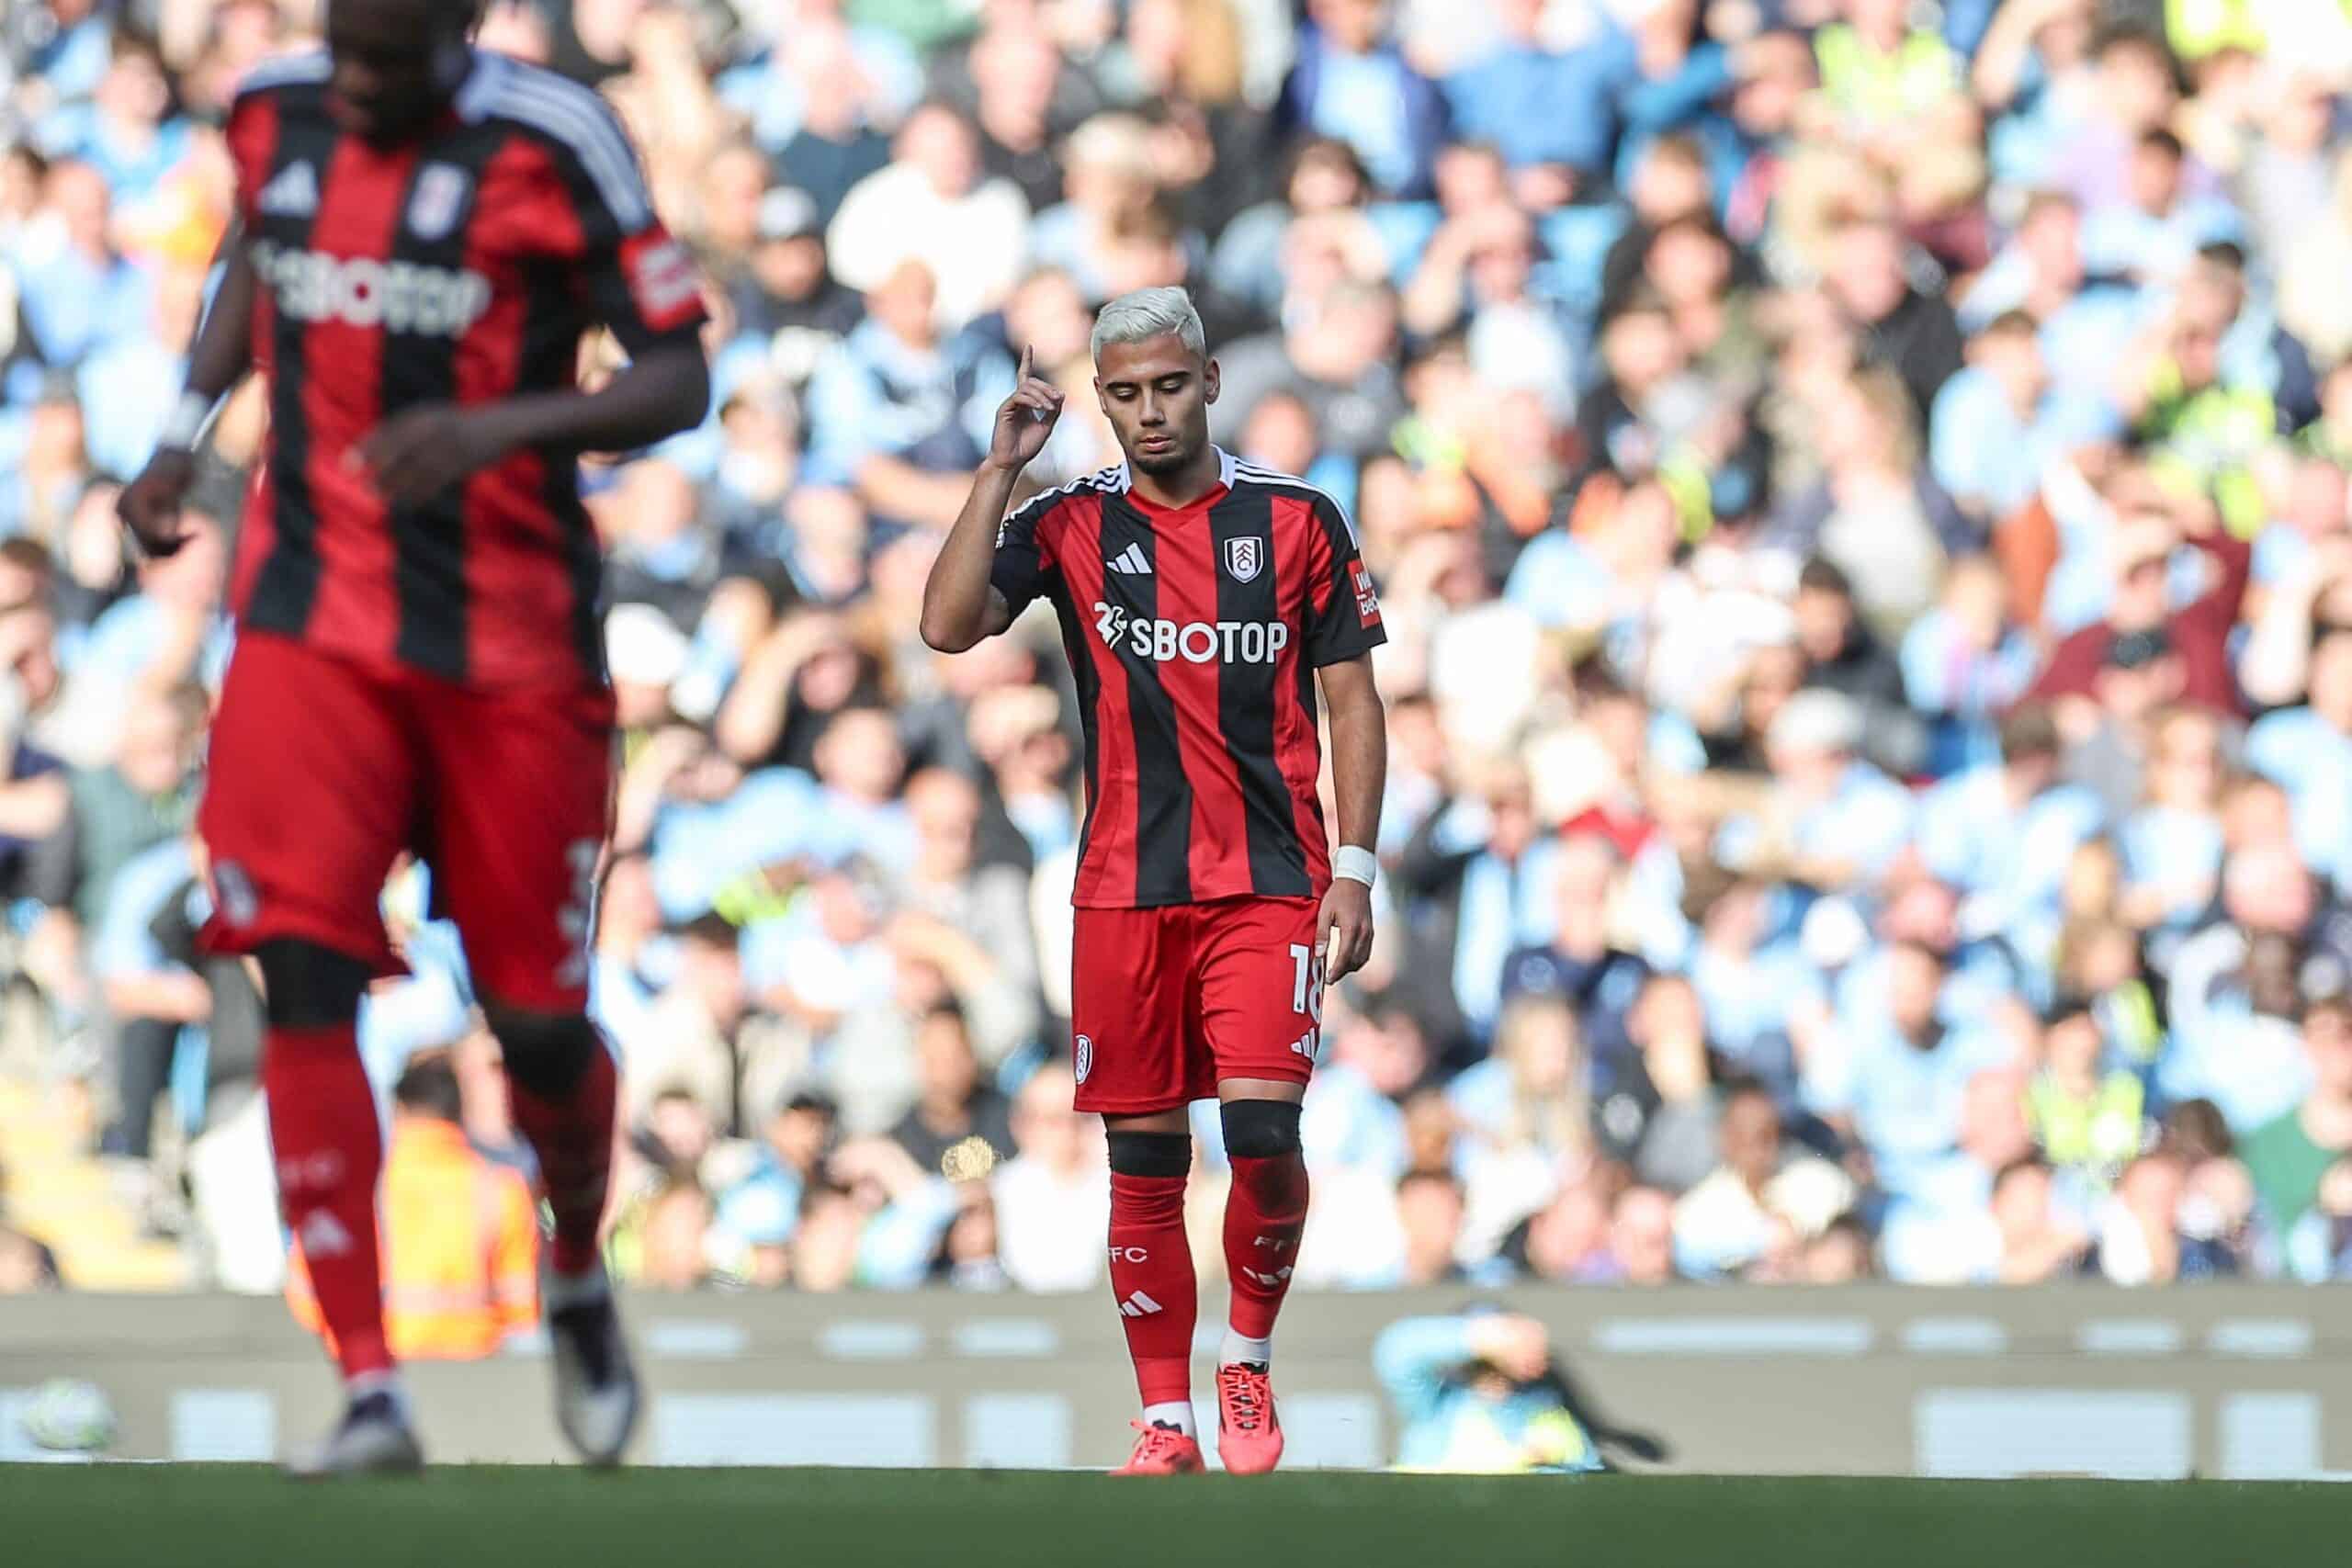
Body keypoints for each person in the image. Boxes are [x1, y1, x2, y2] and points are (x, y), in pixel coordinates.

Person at [113, 0, 710, 1475]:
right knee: (299, 959)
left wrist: (502, 428)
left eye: (391, 61)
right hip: (311, 625)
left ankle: (575, 1266)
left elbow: (680, 371)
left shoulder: (555, 136)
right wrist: (189, 424)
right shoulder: (274, 110)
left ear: (461, 29)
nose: (358, 85)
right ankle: (371, 1384)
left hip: (512, 650)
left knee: (536, 1022)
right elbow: (257, 254)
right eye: (345, 49)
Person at [922, 285, 1388, 1475]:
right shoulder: (1070, 521)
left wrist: (1357, 867)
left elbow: (1351, 699)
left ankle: (1245, 1358)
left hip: (1271, 880)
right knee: (1144, 1162)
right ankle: (1163, 1421)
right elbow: (946, 627)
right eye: (1122, 394)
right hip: (1124, 888)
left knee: (1265, 1131)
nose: (1148, 413)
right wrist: (997, 475)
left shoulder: (1298, 520)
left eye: (1168, 386)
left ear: (1210, 381)